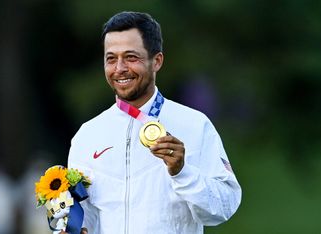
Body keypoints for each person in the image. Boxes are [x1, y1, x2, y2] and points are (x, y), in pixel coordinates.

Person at [67, 11, 241, 234]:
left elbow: (223, 208)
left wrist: (182, 171)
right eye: (111, 58)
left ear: (156, 61)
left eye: (131, 57)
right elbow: (86, 216)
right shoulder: (88, 135)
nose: (119, 68)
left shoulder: (195, 125)